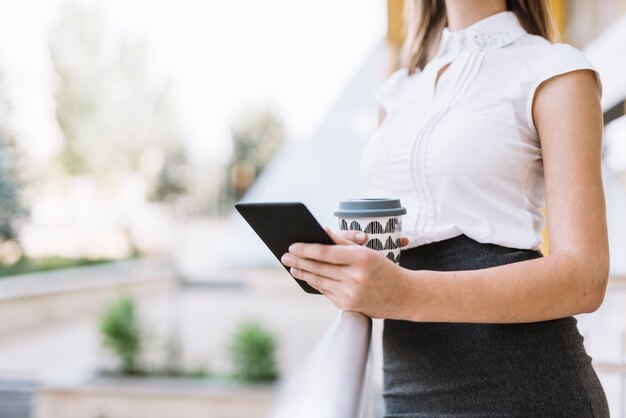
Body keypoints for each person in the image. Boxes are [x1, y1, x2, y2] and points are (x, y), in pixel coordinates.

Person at [280, 0, 610, 416]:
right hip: (408, 387)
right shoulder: (399, 89)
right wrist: (354, 259)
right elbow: (407, 233)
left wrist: (404, 292)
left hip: (525, 391)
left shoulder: (555, 69)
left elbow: (585, 278)